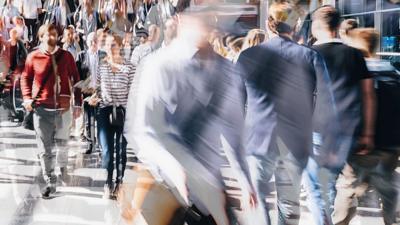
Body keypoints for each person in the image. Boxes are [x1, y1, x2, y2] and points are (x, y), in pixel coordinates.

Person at [124, 8, 257, 225]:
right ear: (181, 19)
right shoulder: (158, 65)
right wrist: (174, 168)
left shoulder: (227, 72)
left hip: (209, 198)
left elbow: (234, 130)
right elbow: (142, 130)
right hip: (164, 191)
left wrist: (245, 178)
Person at [237, 2, 337, 225]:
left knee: (258, 201)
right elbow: (326, 105)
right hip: (295, 141)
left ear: (268, 24)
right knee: (289, 204)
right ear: (296, 25)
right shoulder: (311, 57)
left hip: (257, 139)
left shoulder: (247, 57)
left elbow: (235, 103)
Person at [302, 6, 377, 225]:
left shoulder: (307, 55)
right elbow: (369, 95)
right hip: (348, 131)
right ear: (337, 26)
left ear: (316, 27)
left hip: (316, 130)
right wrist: (368, 134)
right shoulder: (354, 54)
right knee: (335, 183)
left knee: (318, 189)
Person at [333, 25, 397, 225]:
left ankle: (340, 222)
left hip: (361, 141)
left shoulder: (356, 72)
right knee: (387, 187)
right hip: (390, 142)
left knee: (347, 187)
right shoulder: (392, 70)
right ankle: (390, 220)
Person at [20, 24, 82, 198]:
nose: (51, 37)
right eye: (48, 34)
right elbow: (26, 77)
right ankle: (49, 180)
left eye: (54, 34)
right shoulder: (33, 56)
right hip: (41, 110)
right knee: (45, 149)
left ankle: (62, 167)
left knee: (62, 146)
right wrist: (27, 98)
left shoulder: (67, 56)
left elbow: (76, 79)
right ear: (40, 37)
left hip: (63, 110)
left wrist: (77, 104)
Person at [89, 33, 134, 199]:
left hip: (123, 112)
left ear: (120, 46)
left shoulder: (130, 67)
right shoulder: (102, 66)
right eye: (107, 44)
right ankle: (108, 182)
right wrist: (95, 97)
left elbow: (133, 93)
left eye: (113, 44)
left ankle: (119, 183)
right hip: (105, 111)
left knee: (121, 150)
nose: (110, 47)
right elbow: (99, 89)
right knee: (107, 151)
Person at [76, 32, 99, 154]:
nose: (93, 43)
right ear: (87, 42)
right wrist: (84, 89)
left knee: (100, 119)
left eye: (95, 40)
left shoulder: (103, 56)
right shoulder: (81, 56)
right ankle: (90, 144)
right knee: (88, 119)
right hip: (87, 92)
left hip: (100, 92)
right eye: (91, 41)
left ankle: (101, 145)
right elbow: (77, 76)